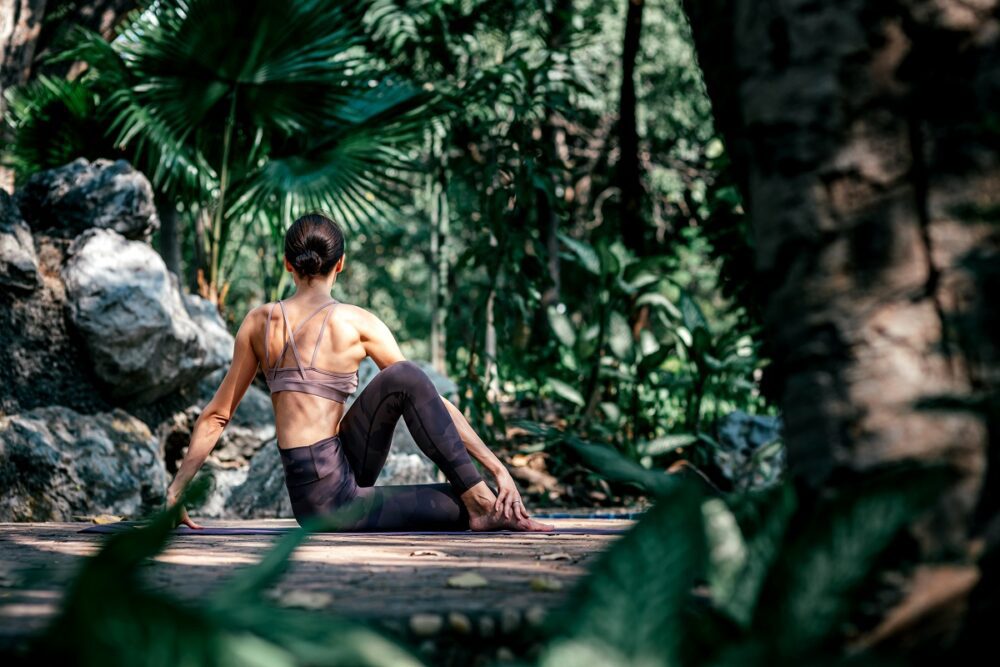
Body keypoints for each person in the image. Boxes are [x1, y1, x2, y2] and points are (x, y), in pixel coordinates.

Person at [166, 212, 554, 532]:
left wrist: (176, 491)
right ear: (341, 264)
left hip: (320, 484)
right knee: (413, 387)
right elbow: (430, 399)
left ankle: (482, 502)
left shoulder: (259, 322)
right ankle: (484, 504)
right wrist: (496, 468)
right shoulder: (358, 322)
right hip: (331, 503)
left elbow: (217, 415)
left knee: (405, 378)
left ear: (288, 264)